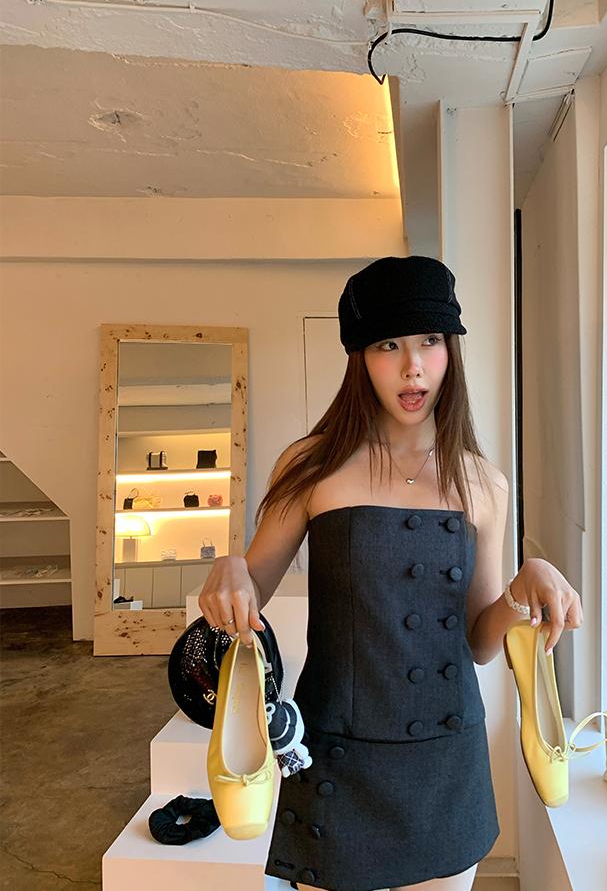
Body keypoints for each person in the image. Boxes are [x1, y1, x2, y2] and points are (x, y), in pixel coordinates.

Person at [199, 254, 583, 891]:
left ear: (451, 349)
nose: (413, 366)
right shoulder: (312, 466)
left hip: (446, 761)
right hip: (337, 754)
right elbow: (251, 590)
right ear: (360, 358)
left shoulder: (484, 483)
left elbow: (480, 642)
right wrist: (230, 569)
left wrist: (526, 584)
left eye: (430, 340)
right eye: (388, 345)